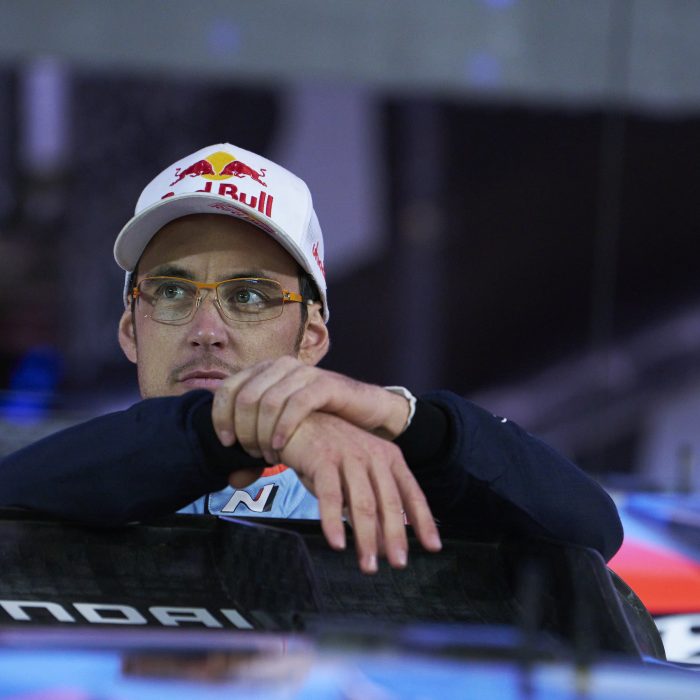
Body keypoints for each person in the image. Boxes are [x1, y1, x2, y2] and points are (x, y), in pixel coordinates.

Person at [0, 143, 623, 573]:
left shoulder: (392, 487)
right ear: (130, 331)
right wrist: (242, 432)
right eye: (171, 293)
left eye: (249, 296)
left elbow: (591, 531)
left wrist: (411, 424)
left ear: (312, 339)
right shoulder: (75, 479)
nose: (206, 331)